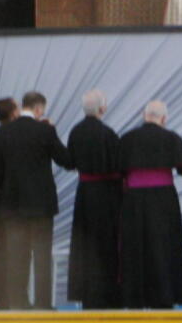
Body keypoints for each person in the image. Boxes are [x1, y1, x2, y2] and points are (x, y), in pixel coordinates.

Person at [0, 90, 73, 310]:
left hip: (12, 204)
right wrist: (52, 131)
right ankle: (43, 304)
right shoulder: (45, 130)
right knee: (42, 256)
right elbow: (66, 160)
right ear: (39, 109)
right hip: (40, 204)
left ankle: (18, 303)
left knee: (16, 257)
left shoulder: (2, 132)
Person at [119, 100, 182, 309]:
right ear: (163, 119)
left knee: (135, 247)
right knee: (163, 247)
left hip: (134, 200)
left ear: (144, 116)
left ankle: (134, 298)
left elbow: (117, 167)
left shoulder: (127, 139)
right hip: (163, 200)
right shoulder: (171, 138)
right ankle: (164, 298)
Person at [66, 89, 122, 309]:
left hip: (85, 194)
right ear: (102, 108)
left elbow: (70, 162)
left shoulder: (76, 132)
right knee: (107, 244)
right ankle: (110, 294)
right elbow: (118, 163)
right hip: (108, 195)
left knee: (85, 245)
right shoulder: (108, 133)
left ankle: (89, 296)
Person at [0, 96, 18, 308]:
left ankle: (1, 296)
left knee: (0, 253)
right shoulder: (15, 135)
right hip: (14, 204)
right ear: (13, 112)